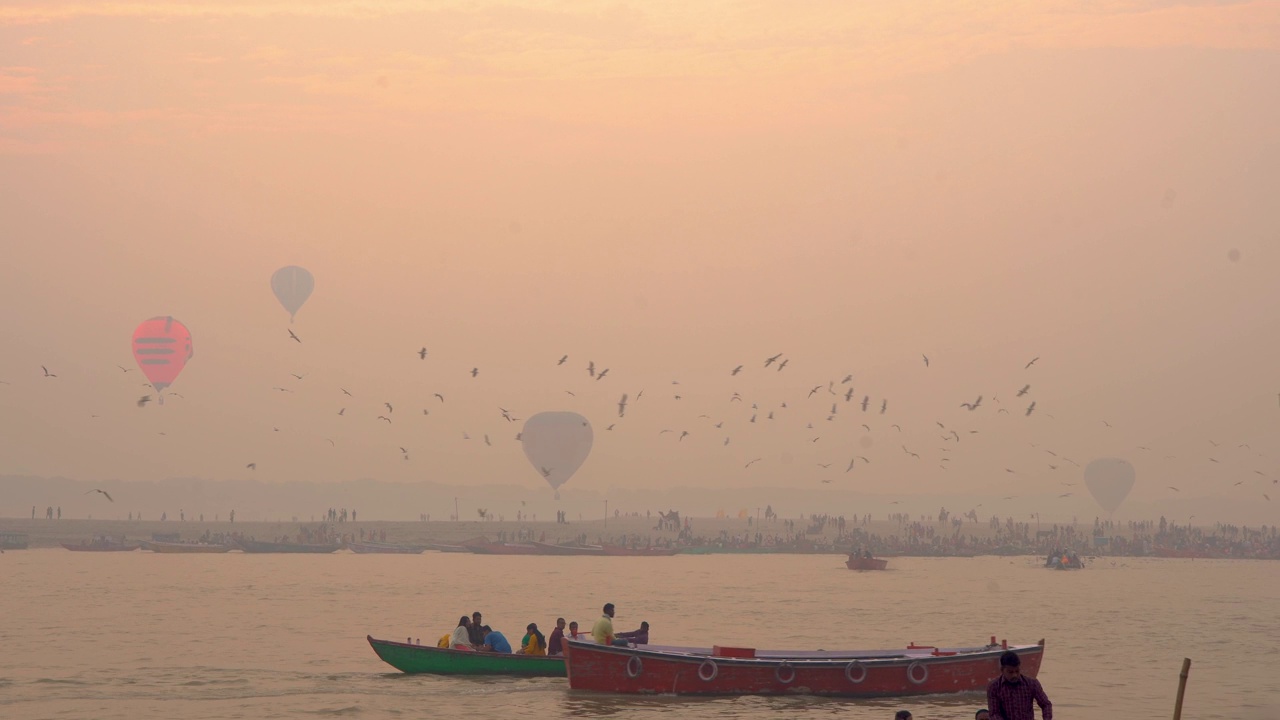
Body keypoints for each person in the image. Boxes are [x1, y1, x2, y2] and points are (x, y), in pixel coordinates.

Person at [987, 650, 1052, 720]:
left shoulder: (1031, 683)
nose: (1014, 675)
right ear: (1002, 670)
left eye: (1017, 671)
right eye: (1010, 672)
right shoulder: (994, 687)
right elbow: (994, 713)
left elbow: (1046, 704)